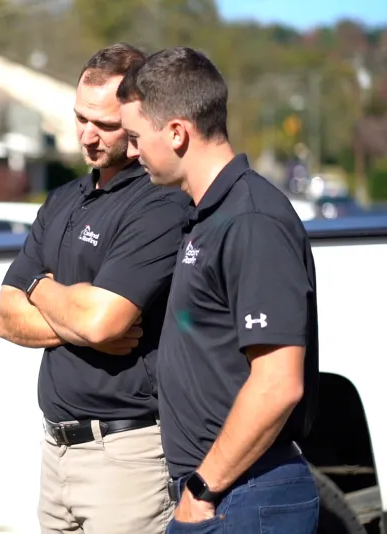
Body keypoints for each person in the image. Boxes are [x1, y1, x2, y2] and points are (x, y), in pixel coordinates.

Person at [116, 46, 320, 533]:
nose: (130, 151)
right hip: (225, 493)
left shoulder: (250, 220)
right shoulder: (206, 215)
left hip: (241, 494)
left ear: (178, 133)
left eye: (134, 136)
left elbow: (277, 383)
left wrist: (202, 490)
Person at [0, 43, 192, 534]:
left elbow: (106, 320)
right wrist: (71, 315)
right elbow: (3, 315)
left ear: (138, 114)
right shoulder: (63, 199)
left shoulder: (159, 202)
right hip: (55, 452)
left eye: (104, 124)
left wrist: (38, 289)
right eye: (80, 118)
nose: (86, 135)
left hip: (127, 455)